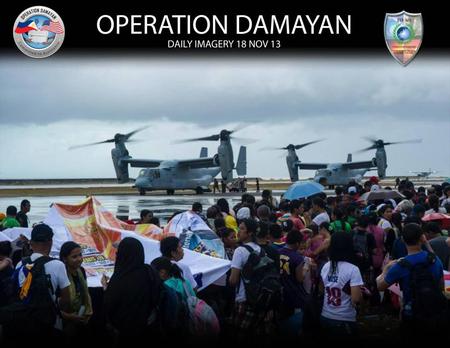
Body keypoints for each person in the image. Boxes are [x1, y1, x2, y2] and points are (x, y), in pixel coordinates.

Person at [377, 223, 445, 337]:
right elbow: (441, 286)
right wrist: (426, 243)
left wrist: (385, 269)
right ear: (422, 238)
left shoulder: (400, 265)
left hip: (412, 314)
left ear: (403, 240)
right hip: (435, 312)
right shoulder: (434, 260)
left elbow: (380, 286)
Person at [9, 224, 71, 341]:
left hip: (23, 321)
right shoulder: (58, 265)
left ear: (31, 243)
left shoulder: (20, 264)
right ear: (50, 242)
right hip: (49, 323)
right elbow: (66, 299)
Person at [104, 237, 160, 344]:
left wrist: (106, 288)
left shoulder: (119, 279)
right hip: (150, 327)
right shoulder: (149, 272)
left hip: (126, 332)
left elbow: (110, 304)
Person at [229, 219, 275, 339]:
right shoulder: (260, 249)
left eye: (242, 229)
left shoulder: (239, 251)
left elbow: (233, 280)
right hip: (259, 299)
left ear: (250, 233)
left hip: (243, 299)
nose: (238, 232)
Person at [320, 232, 363, 338]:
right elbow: (356, 299)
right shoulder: (353, 269)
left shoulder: (326, 266)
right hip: (344, 319)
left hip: (325, 315)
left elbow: (322, 289)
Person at [59, 241, 93, 339]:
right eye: (74, 257)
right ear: (65, 259)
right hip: (65, 322)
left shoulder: (81, 271)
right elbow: (55, 305)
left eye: (80, 255)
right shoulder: (61, 275)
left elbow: (85, 293)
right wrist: (70, 316)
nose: (79, 259)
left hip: (81, 317)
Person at [278, 229, 305, 337]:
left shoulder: (277, 252)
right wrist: (306, 269)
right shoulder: (298, 258)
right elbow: (300, 279)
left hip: (279, 290)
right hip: (292, 292)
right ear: (297, 243)